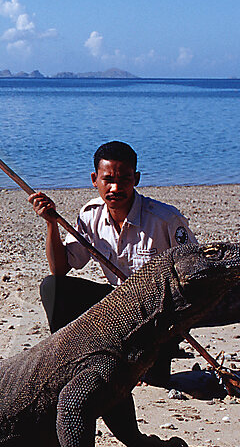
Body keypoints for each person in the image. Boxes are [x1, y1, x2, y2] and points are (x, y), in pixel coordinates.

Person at [27, 140, 195, 384]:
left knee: (155, 379)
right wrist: (51, 223)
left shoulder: (165, 219)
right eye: (108, 180)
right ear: (95, 179)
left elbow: (196, 271)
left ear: (136, 178)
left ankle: (155, 353)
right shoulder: (90, 215)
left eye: (124, 179)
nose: (116, 187)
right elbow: (61, 269)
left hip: (159, 313)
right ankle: (67, 362)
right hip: (117, 307)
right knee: (53, 287)